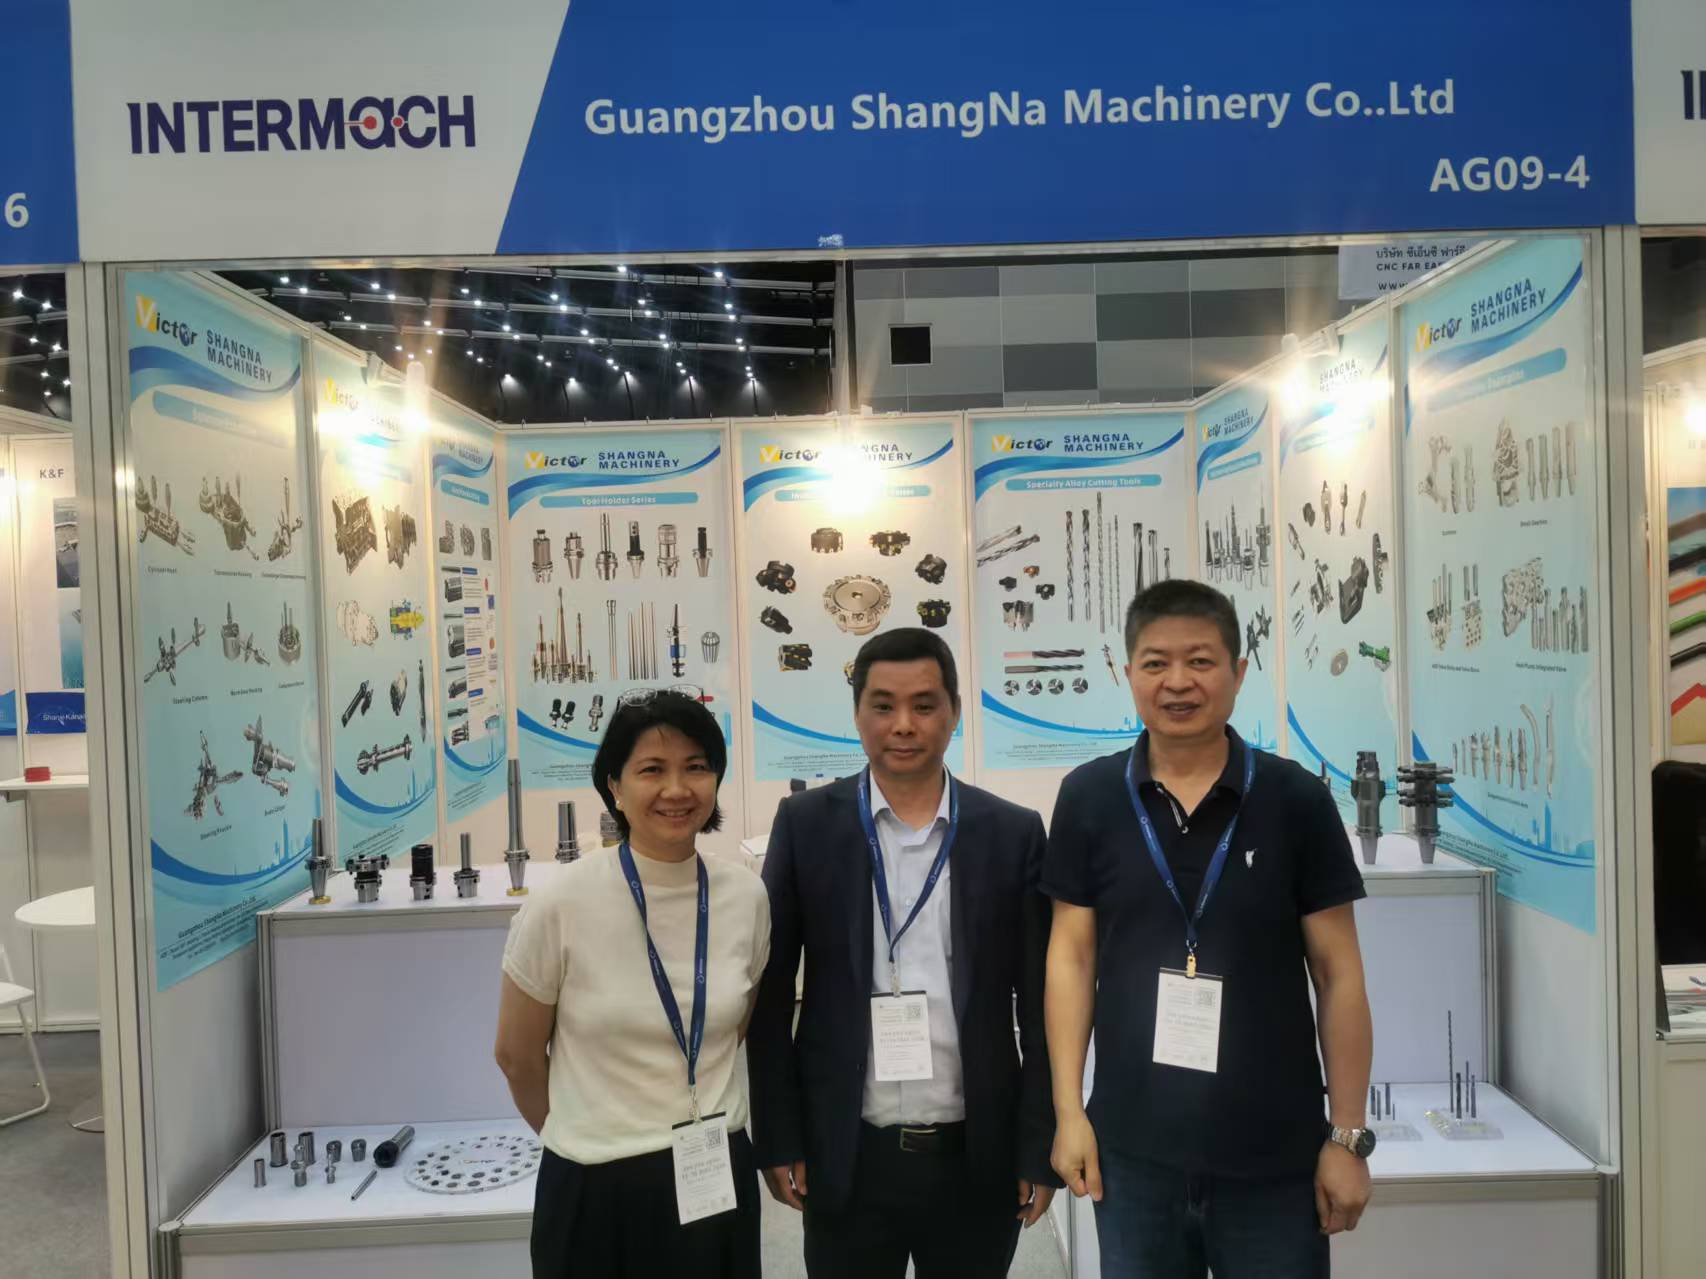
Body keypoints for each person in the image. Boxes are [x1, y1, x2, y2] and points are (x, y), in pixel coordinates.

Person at [1044, 579, 1374, 1278]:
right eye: (1156, 662)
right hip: (1134, 1155)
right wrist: (1069, 1111)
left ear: (1239, 671)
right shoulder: (1089, 797)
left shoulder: (1295, 799)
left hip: (1274, 1156)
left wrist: (1346, 1136)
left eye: (1200, 660)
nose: (1177, 681)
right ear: (1127, 673)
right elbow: (1071, 957)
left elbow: (1338, 972)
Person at [748, 627, 1059, 1279]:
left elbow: (1040, 1008)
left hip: (975, 1153)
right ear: (857, 712)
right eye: (883, 705)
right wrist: (779, 1135)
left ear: (955, 712)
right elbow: (770, 998)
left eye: (924, 704)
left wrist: (1038, 1143)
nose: (904, 725)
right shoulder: (806, 825)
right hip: (847, 1151)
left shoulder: (1012, 833)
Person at [494, 689, 770, 1278]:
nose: (677, 788)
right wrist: (589, 1135)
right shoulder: (561, 903)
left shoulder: (745, 897)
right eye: (652, 770)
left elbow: (732, 1030)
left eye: (696, 767)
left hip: (714, 1172)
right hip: (596, 1186)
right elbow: (517, 1055)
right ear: (614, 786)